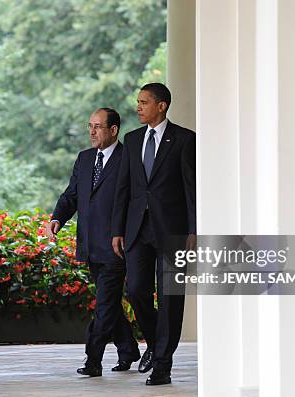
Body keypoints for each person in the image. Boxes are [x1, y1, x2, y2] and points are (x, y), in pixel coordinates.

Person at [111, 83, 196, 386]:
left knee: (171, 299)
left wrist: (194, 229)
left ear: (161, 106)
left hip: (173, 231)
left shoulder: (185, 140)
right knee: (135, 290)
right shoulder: (132, 141)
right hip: (137, 229)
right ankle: (157, 342)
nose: (138, 107)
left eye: (144, 102)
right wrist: (117, 230)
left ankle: (163, 364)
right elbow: (124, 188)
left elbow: (192, 189)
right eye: (138, 102)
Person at [47, 108, 141, 377]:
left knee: (103, 304)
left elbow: (134, 203)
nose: (92, 131)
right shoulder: (85, 158)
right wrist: (57, 218)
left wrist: (124, 232)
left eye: (98, 126)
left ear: (113, 130)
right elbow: (71, 195)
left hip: (116, 246)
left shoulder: (128, 159)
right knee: (108, 303)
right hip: (90, 244)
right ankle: (128, 349)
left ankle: (93, 360)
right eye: (90, 126)